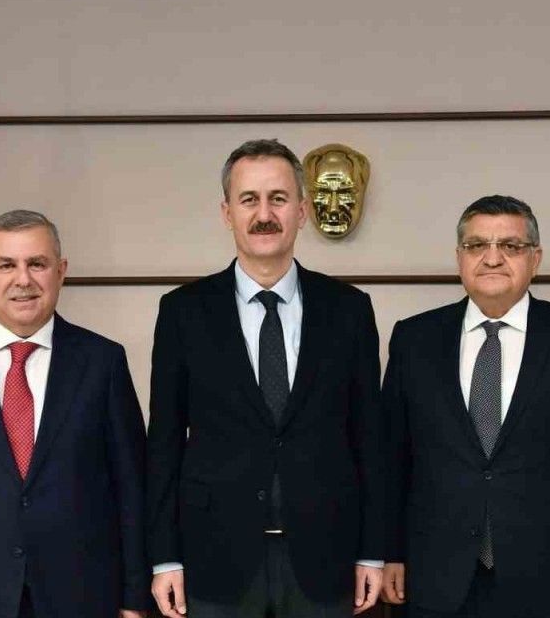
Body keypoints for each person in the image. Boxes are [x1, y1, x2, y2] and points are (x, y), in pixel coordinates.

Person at [146, 139, 384, 618]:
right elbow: (164, 444)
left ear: (302, 210)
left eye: (278, 198)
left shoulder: (349, 310)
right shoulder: (182, 313)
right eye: (248, 199)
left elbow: (370, 440)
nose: (264, 214)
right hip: (215, 557)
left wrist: (373, 551)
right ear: (227, 213)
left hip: (326, 558)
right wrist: (164, 557)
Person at [381, 195, 550, 618]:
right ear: (459, 258)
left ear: (536, 259)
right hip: (436, 577)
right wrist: (389, 552)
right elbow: (392, 460)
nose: (492, 258)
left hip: (549, 578)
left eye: (511, 246)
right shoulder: (414, 340)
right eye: (477, 245)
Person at [0, 210, 149, 618]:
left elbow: (131, 487)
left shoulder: (103, 362)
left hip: (83, 593)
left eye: (37, 263)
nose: (23, 279)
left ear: (61, 271)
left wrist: (133, 599)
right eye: (7, 265)